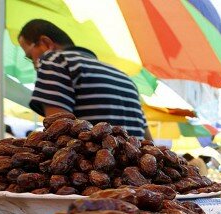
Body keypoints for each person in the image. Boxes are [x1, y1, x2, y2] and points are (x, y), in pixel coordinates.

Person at [17, 19, 151, 140]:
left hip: (92, 167)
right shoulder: (125, 77)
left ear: (46, 43)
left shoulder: (56, 60)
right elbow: (149, 143)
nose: (34, 64)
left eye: (30, 56)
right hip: (133, 166)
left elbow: (58, 134)